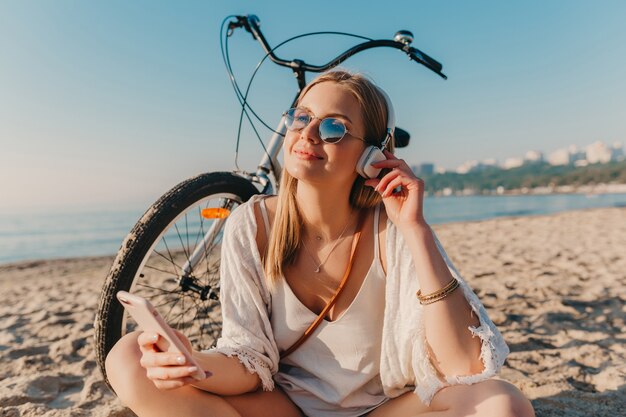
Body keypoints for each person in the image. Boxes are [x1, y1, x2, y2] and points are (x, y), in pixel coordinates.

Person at [105, 70, 535, 417]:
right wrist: (193, 369)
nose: (308, 133)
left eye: (334, 127)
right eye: (300, 117)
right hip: (285, 409)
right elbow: (248, 357)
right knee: (129, 358)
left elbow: (465, 367)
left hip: (383, 410)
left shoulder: (392, 229)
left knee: (502, 403)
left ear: (370, 156)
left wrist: (416, 230)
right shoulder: (250, 224)